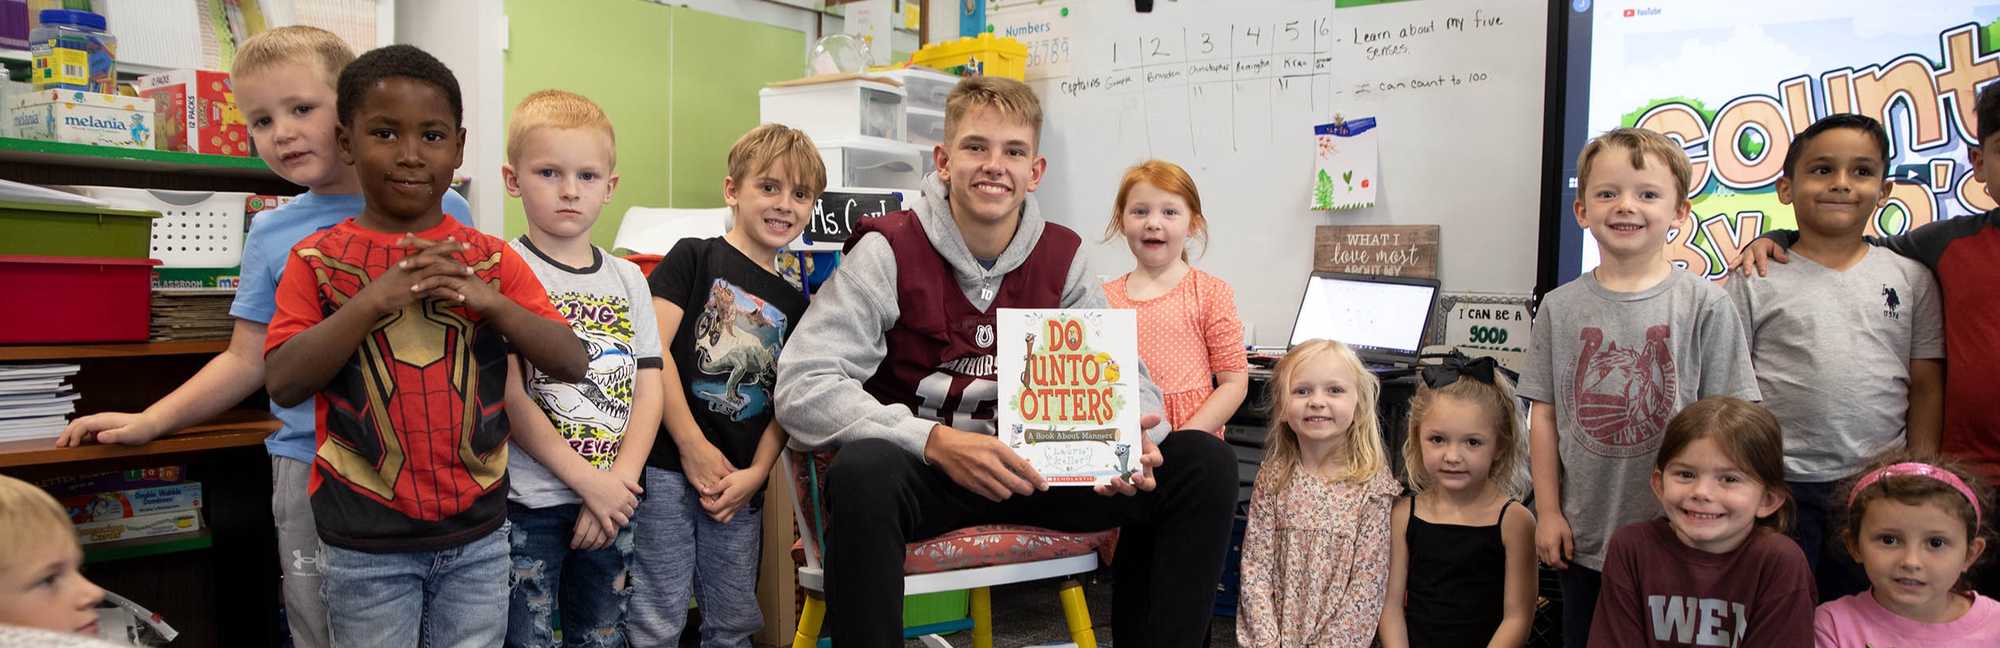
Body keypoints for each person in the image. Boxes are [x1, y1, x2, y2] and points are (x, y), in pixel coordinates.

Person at [772, 75, 1237, 647]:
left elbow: (1129, 379)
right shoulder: (888, 250)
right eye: (976, 147)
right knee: (863, 470)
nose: (995, 165)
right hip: (931, 475)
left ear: (1034, 171)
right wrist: (932, 441)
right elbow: (802, 383)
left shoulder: (1062, 258)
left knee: (1201, 463)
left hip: (1042, 471)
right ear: (944, 160)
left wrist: (1133, 440)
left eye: (1013, 151)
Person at [50, 26, 476, 647]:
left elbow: (474, 340)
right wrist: (151, 419)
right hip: (312, 466)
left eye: (302, 108)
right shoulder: (274, 235)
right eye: (260, 120)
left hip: (430, 463)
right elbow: (247, 357)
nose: (281, 132)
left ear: (356, 111)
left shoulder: (448, 211)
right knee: (321, 623)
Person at [262, 44, 585, 647]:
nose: (410, 154)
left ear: (459, 148)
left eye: (432, 136)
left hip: (480, 538)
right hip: (363, 545)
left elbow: (570, 360)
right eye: (385, 132)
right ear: (347, 141)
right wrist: (371, 301)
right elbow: (283, 381)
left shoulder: (492, 260)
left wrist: (489, 301)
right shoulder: (315, 260)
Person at [1522, 127, 1761, 646]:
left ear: (1679, 213)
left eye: (1647, 194)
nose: (1625, 206)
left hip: (1685, 533)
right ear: (1582, 210)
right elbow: (1543, 415)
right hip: (1585, 538)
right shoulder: (1560, 308)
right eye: (1607, 193)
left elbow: (1735, 424)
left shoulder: (1705, 305)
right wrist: (1547, 512)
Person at [1724, 113, 1943, 602]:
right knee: (1778, 610)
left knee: (1866, 610)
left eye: (1861, 172)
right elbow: (1731, 388)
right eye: (1822, 170)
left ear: (1884, 190)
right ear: (1785, 187)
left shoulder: (1911, 278)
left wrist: (1920, 474)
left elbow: (1926, 383)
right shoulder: (1754, 277)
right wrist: (1747, 473)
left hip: (1876, 487)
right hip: (1779, 485)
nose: (1841, 184)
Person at [627, 123, 821, 645]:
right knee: (656, 615)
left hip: (738, 485)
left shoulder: (799, 306)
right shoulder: (694, 256)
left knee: (734, 619)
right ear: (733, 190)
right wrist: (690, 445)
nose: (785, 204)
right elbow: (653, 351)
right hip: (667, 466)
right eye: (769, 187)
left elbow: (789, 401)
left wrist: (757, 474)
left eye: (800, 194)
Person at [497, 89, 664, 647]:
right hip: (531, 504)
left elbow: (648, 390)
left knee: (601, 635)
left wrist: (618, 486)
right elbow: (512, 397)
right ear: (512, 179)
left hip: (614, 501)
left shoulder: (629, 279)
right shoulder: (505, 268)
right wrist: (587, 483)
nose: (570, 190)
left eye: (587, 176)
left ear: (610, 187)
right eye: (549, 172)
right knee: (529, 639)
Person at [1587, 398, 1814, 647]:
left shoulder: (1780, 562)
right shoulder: (1631, 547)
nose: (1701, 492)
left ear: (1767, 500)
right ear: (1659, 484)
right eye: (1686, 474)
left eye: (1729, 479)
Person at [1236, 339, 1401, 647]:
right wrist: (1266, 642)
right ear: (1282, 407)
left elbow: (1367, 586)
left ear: (1359, 405)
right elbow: (1254, 571)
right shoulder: (1273, 478)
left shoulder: (1372, 486)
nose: (1317, 401)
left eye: (1334, 390)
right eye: (1302, 391)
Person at [1379, 353, 1537, 647]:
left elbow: (1517, 618)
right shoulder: (1403, 515)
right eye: (1438, 440)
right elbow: (1390, 607)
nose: (1452, 456)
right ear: (1417, 437)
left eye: (1472, 442)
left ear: (1500, 445)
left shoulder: (1515, 521)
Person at [1100, 159, 1248, 435]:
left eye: (1169, 212)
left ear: (1193, 223)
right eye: (1140, 212)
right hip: (1129, 439)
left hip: (1195, 439)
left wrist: (1186, 438)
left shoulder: (1210, 293)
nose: (1153, 223)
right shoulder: (1105, 300)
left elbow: (1234, 382)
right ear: (1121, 220)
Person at [1814, 454, 1998, 646]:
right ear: (1854, 545)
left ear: (1969, 555)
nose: (1911, 562)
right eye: (1889, 540)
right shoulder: (1831, 625)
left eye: (1936, 543)